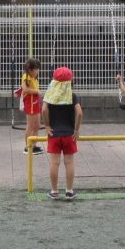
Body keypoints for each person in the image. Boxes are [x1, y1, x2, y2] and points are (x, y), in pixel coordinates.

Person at [41, 66, 83, 200]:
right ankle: (69, 191)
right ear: (71, 81)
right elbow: (79, 112)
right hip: (69, 134)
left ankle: (54, 191)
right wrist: (76, 129)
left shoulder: (50, 95)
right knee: (69, 163)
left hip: (54, 134)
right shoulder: (72, 96)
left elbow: (43, 110)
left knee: (54, 163)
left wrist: (47, 126)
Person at [14, 58, 44, 155]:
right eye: (36, 69)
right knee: (30, 126)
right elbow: (25, 89)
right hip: (30, 102)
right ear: (30, 70)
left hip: (36, 101)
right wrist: (37, 91)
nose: (38, 71)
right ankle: (27, 147)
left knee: (37, 125)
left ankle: (34, 145)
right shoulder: (25, 77)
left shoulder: (34, 77)